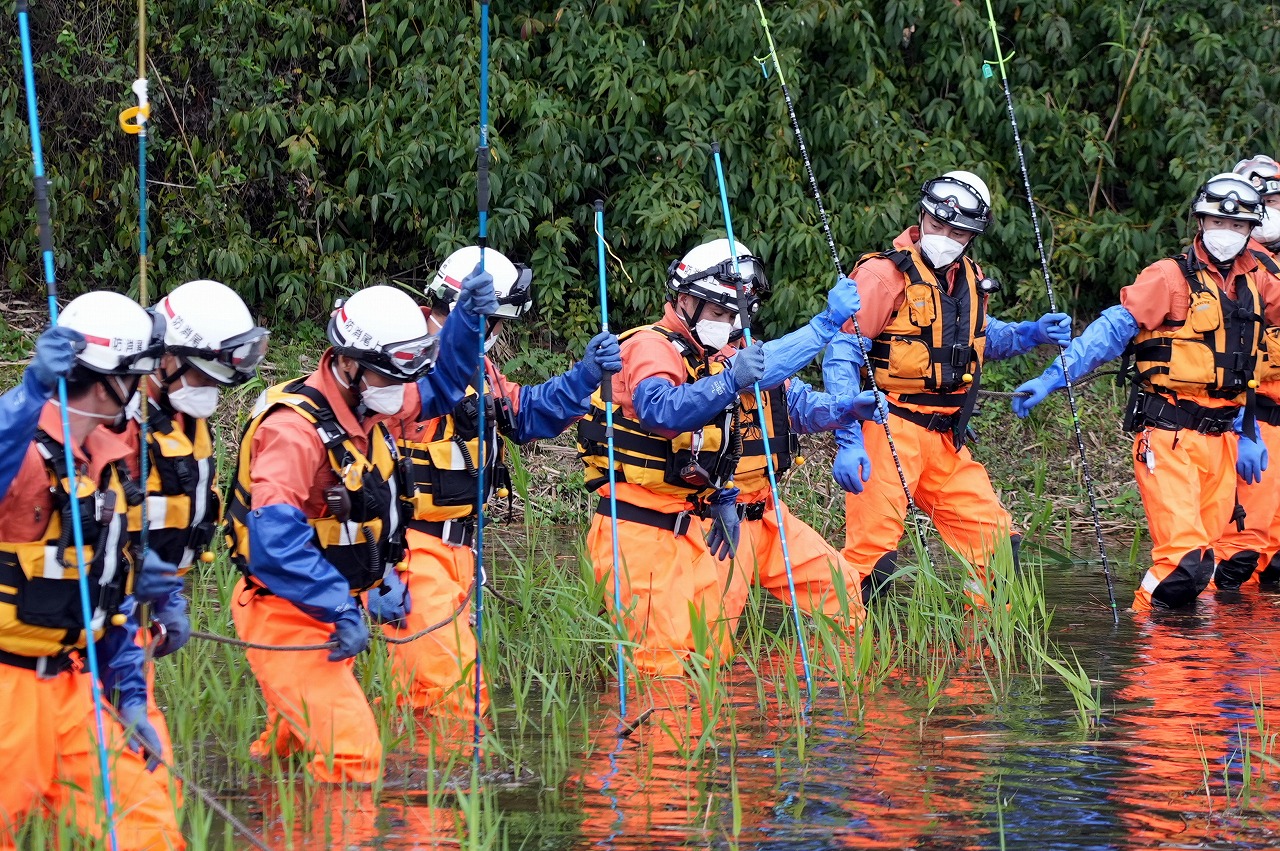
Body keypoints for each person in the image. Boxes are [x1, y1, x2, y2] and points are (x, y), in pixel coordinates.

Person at [224, 274, 495, 784]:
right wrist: (340, 604)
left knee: (291, 751)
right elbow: (274, 540)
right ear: (349, 363)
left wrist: (466, 323)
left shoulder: (372, 401)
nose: (402, 391)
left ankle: (267, 805)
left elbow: (439, 386)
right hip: (287, 609)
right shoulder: (293, 432)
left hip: (330, 603)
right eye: (391, 376)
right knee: (353, 755)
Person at [577, 238, 877, 679]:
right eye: (719, 314)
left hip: (744, 512)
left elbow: (791, 405)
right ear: (685, 300)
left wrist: (846, 411)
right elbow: (663, 411)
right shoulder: (652, 347)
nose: (729, 325)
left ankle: (797, 701)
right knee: (673, 662)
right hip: (650, 522)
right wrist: (738, 377)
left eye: (735, 316)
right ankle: (664, 736)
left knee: (839, 593)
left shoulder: (735, 355)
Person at [374, 246, 621, 724]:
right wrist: (375, 559)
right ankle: (436, 789)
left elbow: (525, 414)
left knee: (424, 692)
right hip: (410, 550)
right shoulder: (401, 357)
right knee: (449, 694)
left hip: (457, 551)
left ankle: (413, 785)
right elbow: (362, 458)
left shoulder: (479, 370)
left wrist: (584, 376)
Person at [1013, 172, 1280, 610]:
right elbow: (1109, 331)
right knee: (1184, 566)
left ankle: (1196, 671)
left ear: (1251, 232)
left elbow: (1248, 364)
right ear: (1200, 222)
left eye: (1236, 226)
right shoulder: (1169, 277)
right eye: (1217, 222)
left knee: (1209, 570)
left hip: (1223, 441)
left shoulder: (1257, 282)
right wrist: (1052, 377)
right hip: (1169, 434)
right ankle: (1148, 648)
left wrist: (1249, 430)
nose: (1226, 234)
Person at [823, 170, 1073, 604]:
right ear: (922, 218)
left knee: (999, 552)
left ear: (971, 235)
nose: (945, 236)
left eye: (957, 231)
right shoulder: (884, 276)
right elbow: (842, 355)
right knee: (872, 562)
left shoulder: (969, 279)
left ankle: (980, 655)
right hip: (890, 427)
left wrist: (1032, 333)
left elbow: (981, 337)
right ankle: (846, 657)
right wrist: (848, 437)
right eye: (938, 225)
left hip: (945, 437)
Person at [0, 291, 183, 850]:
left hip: (78, 689)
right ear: (108, 381)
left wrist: (129, 693)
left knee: (150, 830)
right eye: (137, 375)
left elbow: (108, 600)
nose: (142, 390)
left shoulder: (103, 466)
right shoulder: (22, 449)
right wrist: (28, 391)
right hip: (8, 690)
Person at [122, 279, 268, 775]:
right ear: (164, 359)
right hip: (87, 620)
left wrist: (166, 600)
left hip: (131, 626)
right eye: (202, 378)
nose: (209, 393)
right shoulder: (115, 421)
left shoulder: (182, 417)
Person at [1213, 156, 1280, 588]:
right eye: (1268, 199)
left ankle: (1257, 649)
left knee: (1272, 560)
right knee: (1240, 554)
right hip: (1250, 415)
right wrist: (1244, 428)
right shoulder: (1238, 272)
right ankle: (1213, 649)